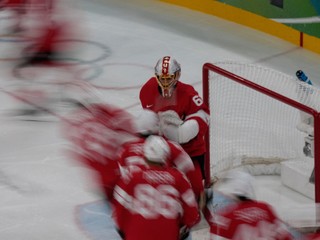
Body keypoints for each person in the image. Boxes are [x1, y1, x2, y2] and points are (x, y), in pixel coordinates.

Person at [139, 56, 210, 201]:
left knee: (196, 193)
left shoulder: (188, 93)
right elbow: (150, 122)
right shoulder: (147, 91)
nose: (165, 82)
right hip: (165, 149)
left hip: (191, 151)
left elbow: (204, 114)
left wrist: (184, 132)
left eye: (169, 78)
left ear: (177, 76)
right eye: (162, 78)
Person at [112, 135, 200, 240]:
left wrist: (124, 231)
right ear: (166, 156)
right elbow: (192, 215)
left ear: (145, 156)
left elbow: (119, 211)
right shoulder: (179, 178)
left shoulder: (131, 177)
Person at [204, 170, 295, 240]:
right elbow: (286, 236)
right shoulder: (266, 208)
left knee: (213, 196)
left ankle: (209, 193)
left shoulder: (224, 217)